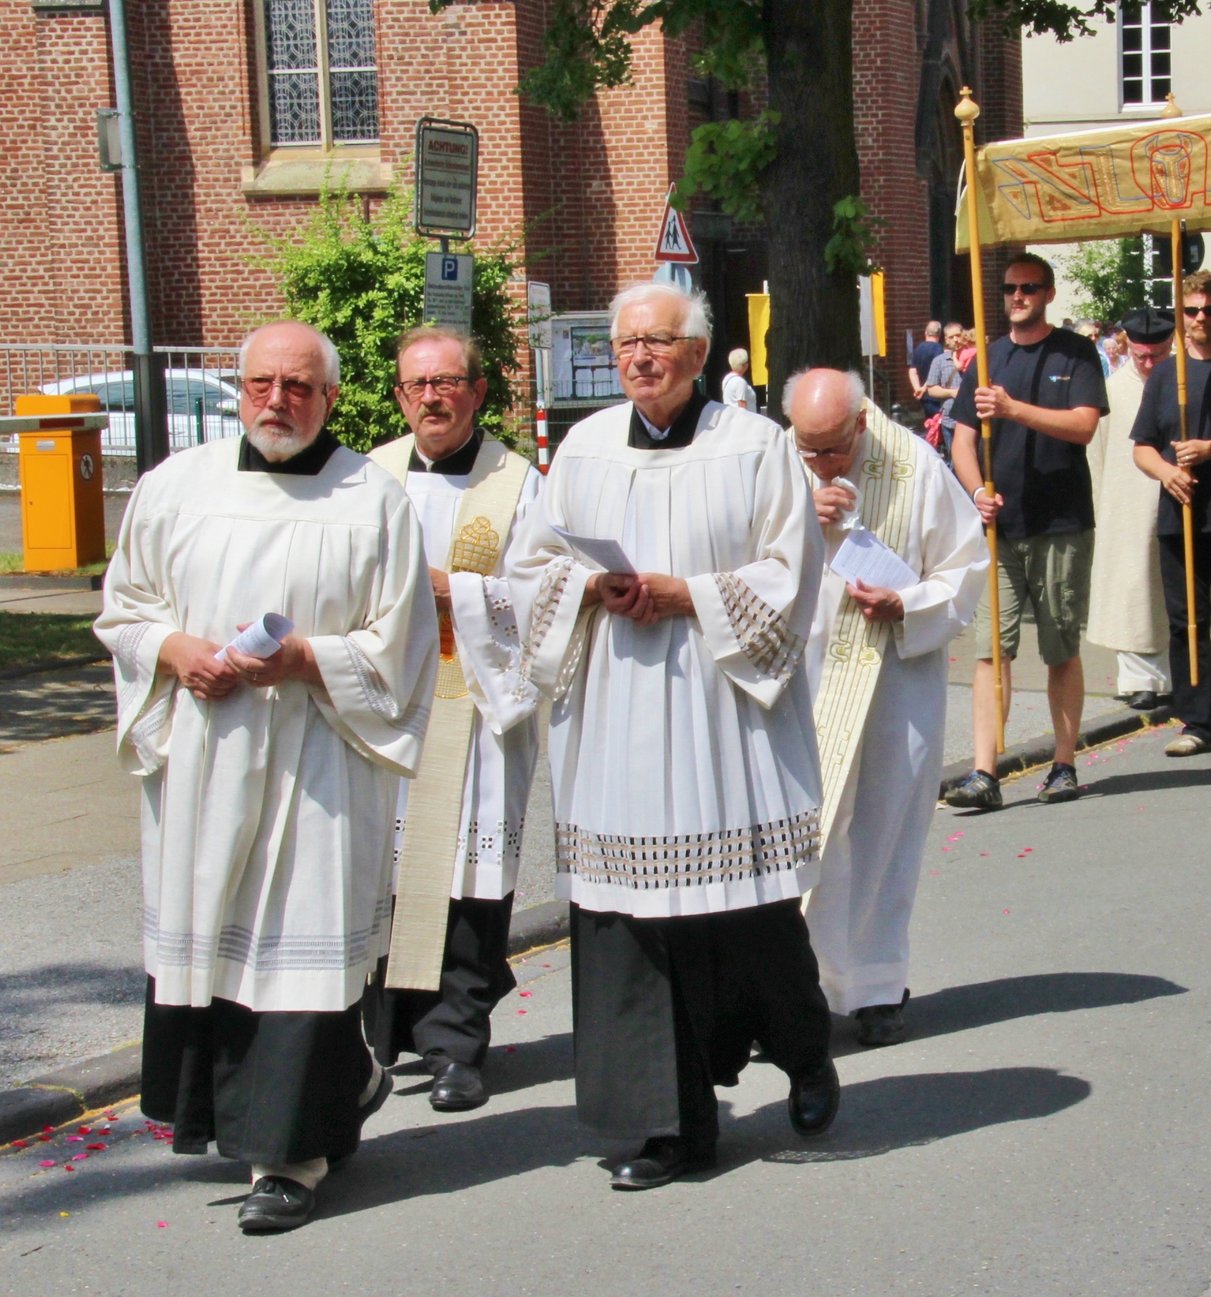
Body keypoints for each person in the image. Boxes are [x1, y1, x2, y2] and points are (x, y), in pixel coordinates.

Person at [95, 321, 436, 1233]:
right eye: (259, 384)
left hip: (319, 763)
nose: (276, 401)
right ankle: (254, 1110)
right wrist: (174, 649)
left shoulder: (371, 497)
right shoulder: (176, 487)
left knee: (300, 948)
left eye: (298, 386)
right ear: (237, 389)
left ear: (330, 397)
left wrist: (306, 660)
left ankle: (291, 1155)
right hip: (205, 758)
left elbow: (399, 648)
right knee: (218, 940)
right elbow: (122, 609)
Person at [504, 281, 838, 1190]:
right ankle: (668, 1127)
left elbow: (791, 575)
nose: (640, 358)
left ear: (697, 354)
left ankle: (805, 1052)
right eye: (626, 345)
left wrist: (686, 592)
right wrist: (590, 588)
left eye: (657, 342)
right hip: (616, 712)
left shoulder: (756, 447)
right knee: (633, 926)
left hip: (720, 706)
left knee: (751, 914)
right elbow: (534, 568)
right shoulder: (582, 450)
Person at [360, 328, 543, 1117]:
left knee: (467, 880)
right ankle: (381, 1034)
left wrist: (454, 593)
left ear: (475, 390)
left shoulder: (520, 483)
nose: (431, 397)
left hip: (476, 700)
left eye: (447, 382)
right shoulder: (369, 475)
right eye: (416, 385)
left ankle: (457, 1043)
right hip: (389, 703)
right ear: (400, 396)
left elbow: (544, 594)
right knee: (388, 875)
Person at [794, 370, 986, 1048]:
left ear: (861, 424)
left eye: (834, 448)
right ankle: (800, 985)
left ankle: (875, 984)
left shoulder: (915, 466)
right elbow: (741, 562)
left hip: (896, 671)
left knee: (886, 824)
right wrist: (799, 520)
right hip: (806, 675)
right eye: (808, 449)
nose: (823, 463)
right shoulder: (781, 468)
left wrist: (907, 603)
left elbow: (965, 567)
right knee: (806, 829)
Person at [945, 253, 1109, 809]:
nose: (1018, 297)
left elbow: (1083, 425)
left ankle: (1063, 764)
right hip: (1000, 527)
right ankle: (985, 772)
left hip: (1059, 521)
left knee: (1060, 645)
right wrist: (975, 492)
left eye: (1030, 288)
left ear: (1049, 293)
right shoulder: (987, 360)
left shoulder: (1076, 353)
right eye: (1011, 288)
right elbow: (962, 439)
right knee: (992, 649)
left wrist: (1015, 409)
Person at [1132, 270, 1211, 758]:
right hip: (1181, 509)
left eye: (1209, 310)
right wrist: (1166, 473)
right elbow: (1143, 447)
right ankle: (1196, 718)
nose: (1200, 319)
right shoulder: (1165, 373)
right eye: (1191, 311)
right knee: (1186, 619)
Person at [1084, 307, 1173, 711]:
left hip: (1174, 496)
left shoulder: (1180, 382)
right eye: (1141, 356)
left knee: (1173, 590)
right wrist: (1101, 509)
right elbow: (1095, 455)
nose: (1149, 363)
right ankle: (1139, 679)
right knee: (1131, 591)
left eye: (1157, 355)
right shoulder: (1113, 390)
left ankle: (1178, 675)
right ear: (1128, 348)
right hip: (1124, 500)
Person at [909, 319, 944, 417]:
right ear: (939, 334)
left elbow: (912, 371)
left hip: (924, 397)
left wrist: (917, 388)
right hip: (936, 396)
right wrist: (924, 389)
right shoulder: (939, 349)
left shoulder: (918, 348)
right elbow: (935, 373)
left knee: (929, 423)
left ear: (925, 333)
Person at [722, 347, 758, 413]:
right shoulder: (740, 382)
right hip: (746, 420)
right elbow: (742, 406)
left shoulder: (726, 379)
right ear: (744, 365)